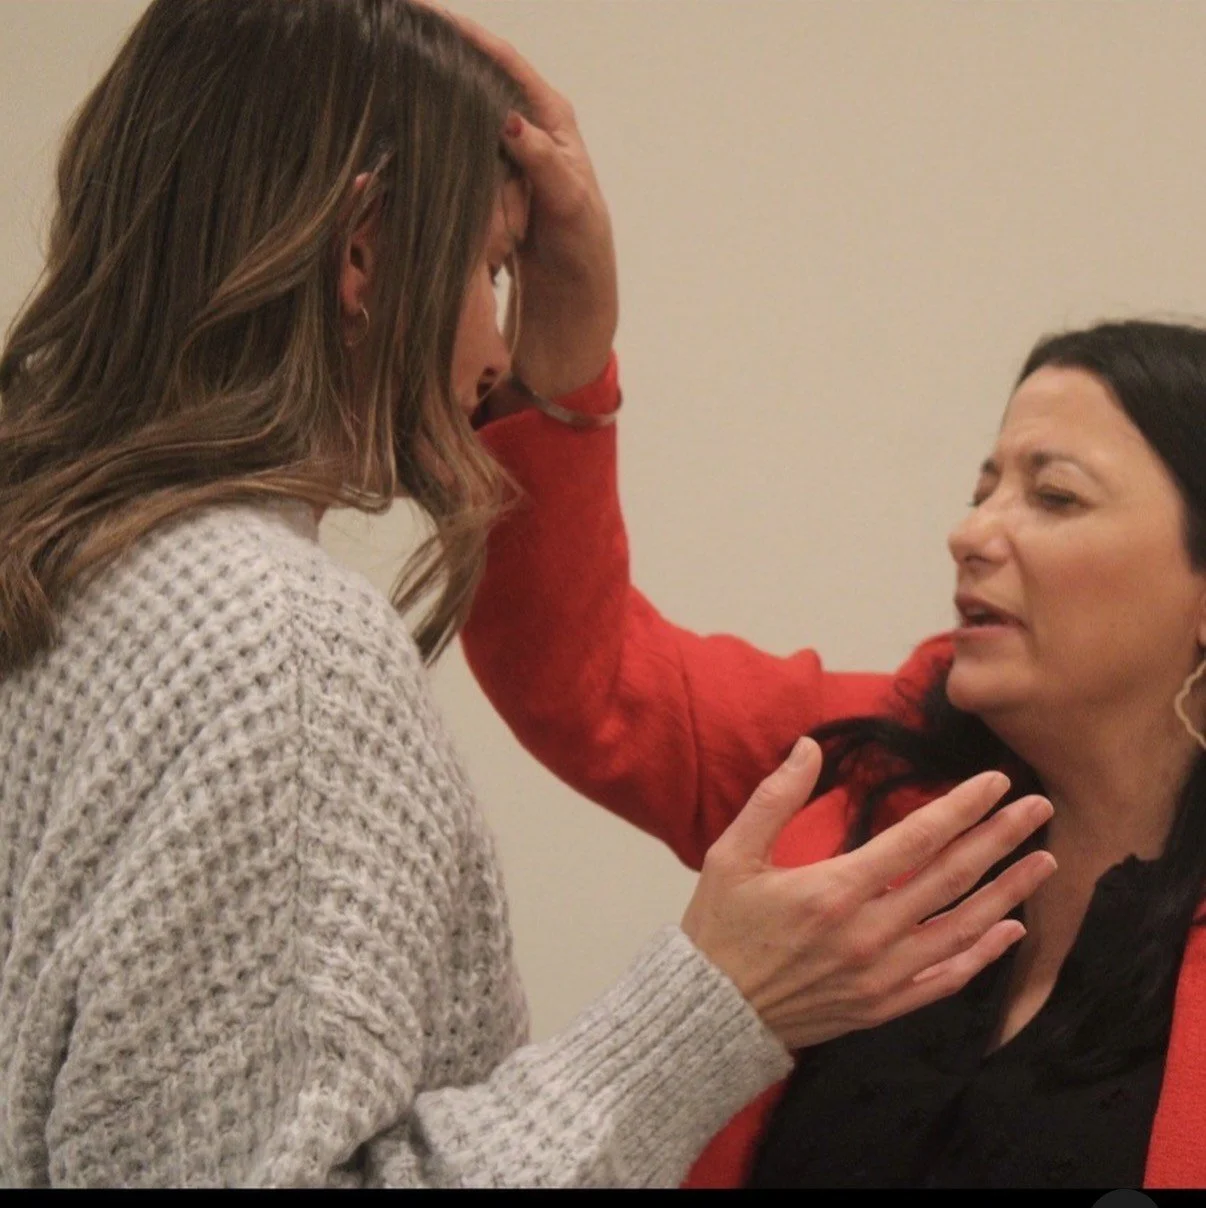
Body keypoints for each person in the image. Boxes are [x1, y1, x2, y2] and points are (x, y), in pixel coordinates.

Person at [0, 0, 1054, 1189]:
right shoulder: (280, 644)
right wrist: (707, 1012)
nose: (495, 347)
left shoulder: (65, 567)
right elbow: (599, 683)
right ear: (362, 252)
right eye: (489, 269)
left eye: (1057, 493)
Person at [459, 24, 1206, 1195]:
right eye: (980, 486)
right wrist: (563, 355)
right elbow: (586, 676)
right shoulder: (869, 764)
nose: (973, 530)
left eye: (1054, 495)